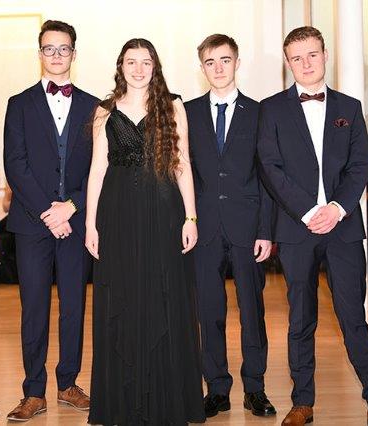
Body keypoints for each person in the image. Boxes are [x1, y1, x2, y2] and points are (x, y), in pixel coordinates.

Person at [257, 26, 368, 426]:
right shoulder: (271, 109)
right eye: (297, 58)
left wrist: (337, 208)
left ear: (325, 55)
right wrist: (309, 211)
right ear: (288, 63)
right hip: (297, 228)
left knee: (353, 317)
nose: (305, 63)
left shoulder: (350, 107)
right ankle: (302, 403)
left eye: (312, 54)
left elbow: (360, 164)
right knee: (300, 319)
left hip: (343, 229)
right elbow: (270, 168)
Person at [86, 38, 205, 425]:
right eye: (131, 62)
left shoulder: (173, 106)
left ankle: (166, 400)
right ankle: (123, 401)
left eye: (146, 62)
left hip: (164, 211)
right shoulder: (104, 111)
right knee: (123, 296)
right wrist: (90, 224)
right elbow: (97, 171)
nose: (138, 69)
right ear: (120, 67)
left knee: (164, 296)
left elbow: (182, 163)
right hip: (118, 214)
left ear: (156, 67)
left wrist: (190, 217)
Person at [3, 20, 99, 422]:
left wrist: (71, 207)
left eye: (63, 49)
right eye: (49, 48)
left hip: (76, 224)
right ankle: (33, 391)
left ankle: (68, 383)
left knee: (74, 306)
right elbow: (15, 165)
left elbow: (99, 169)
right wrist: (49, 211)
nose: (56, 55)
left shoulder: (96, 106)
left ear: (74, 54)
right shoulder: (19, 103)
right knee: (34, 309)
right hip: (32, 223)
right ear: (39, 53)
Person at [184, 34, 275, 418]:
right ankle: (217, 388)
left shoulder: (260, 112)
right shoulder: (187, 113)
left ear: (237, 62)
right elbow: (182, 173)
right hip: (204, 229)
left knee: (252, 311)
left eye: (224, 60)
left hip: (248, 227)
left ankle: (255, 389)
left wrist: (266, 230)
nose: (218, 68)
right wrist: (186, 221)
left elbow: (269, 176)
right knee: (209, 312)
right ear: (202, 67)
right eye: (210, 62)